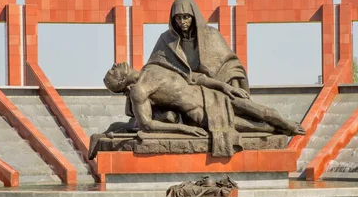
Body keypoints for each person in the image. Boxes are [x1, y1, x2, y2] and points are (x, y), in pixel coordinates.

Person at [103, 62, 305, 156]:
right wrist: (185, 129)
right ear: (121, 80)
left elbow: (194, 78)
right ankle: (280, 131)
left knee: (266, 112)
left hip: (214, 96)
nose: (114, 64)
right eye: (113, 70)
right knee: (259, 128)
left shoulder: (153, 66)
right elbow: (147, 125)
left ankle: (288, 126)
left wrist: (224, 86)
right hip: (203, 113)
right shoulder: (140, 92)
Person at [146, 0, 249, 93]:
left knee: (233, 76)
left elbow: (231, 64)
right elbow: (152, 67)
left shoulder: (211, 35)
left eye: (186, 17)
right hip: (180, 88)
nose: (182, 21)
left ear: (193, 16)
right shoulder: (166, 39)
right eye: (178, 18)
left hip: (210, 84)